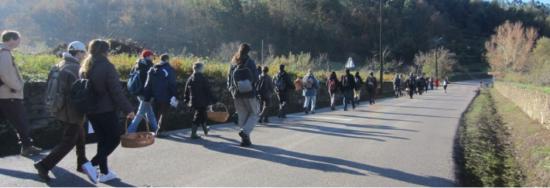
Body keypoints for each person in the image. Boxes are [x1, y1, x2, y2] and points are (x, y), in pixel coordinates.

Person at [34, 41, 95, 183]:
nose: (84, 55)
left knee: (80, 134)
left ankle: (82, 162)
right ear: (78, 53)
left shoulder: (59, 65)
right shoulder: (75, 68)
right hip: (71, 110)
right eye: (83, 52)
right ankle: (44, 165)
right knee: (69, 141)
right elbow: (81, 92)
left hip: (59, 108)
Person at [79, 39, 135, 183]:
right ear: (106, 51)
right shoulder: (107, 66)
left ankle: (104, 172)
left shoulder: (85, 66)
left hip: (91, 110)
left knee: (103, 140)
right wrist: (128, 109)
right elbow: (116, 91)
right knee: (115, 138)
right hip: (105, 109)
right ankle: (91, 164)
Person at [0, 30, 42, 157]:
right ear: (12, 39)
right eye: (18, 39)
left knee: (19, 121)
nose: (19, 42)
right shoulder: (4, 53)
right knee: (20, 121)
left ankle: (27, 146)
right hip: (9, 94)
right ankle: (27, 147)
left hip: (4, 94)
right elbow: (4, 73)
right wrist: (17, 86)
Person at [227, 43, 259, 147]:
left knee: (242, 116)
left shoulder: (233, 62)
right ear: (248, 51)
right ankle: (245, 132)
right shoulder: (250, 63)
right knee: (255, 113)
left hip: (236, 93)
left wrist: (231, 89)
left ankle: (245, 141)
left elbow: (229, 78)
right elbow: (256, 78)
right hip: (249, 93)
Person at [143, 53, 178, 136]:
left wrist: (147, 97)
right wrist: (175, 95)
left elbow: (147, 84)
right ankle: (160, 131)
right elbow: (172, 84)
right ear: (167, 60)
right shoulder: (169, 69)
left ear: (160, 59)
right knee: (164, 113)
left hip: (155, 96)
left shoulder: (152, 69)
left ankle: (157, 130)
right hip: (166, 96)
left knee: (157, 113)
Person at [127, 50, 158, 134]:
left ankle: (156, 129)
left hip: (138, 91)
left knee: (149, 112)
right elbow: (150, 81)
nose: (153, 57)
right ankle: (130, 131)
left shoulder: (137, 64)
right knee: (140, 113)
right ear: (148, 56)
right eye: (152, 55)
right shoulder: (149, 65)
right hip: (145, 93)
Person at [184, 61, 216, 139]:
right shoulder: (202, 78)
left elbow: (186, 91)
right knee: (198, 116)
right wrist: (214, 99)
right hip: (202, 101)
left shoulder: (190, 78)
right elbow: (208, 90)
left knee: (202, 115)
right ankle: (193, 134)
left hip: (194, 101)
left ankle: (205, 130)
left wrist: (186, 100)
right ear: (200, 69)